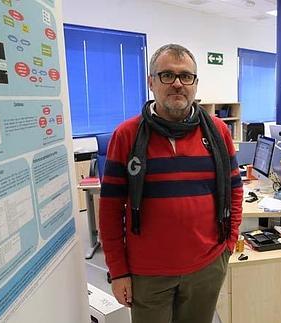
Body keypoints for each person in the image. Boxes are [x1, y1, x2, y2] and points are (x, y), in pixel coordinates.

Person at [99, 44, 243, 323]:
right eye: (167, 75)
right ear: (151, 82)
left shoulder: (218, 131)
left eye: (186, 76)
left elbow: (235, 190)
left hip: (207, 267)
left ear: (195, 84)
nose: (177, 83)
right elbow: (110, 210)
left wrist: (228, 245)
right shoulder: (126, 135)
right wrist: (118, 271)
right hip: (147, 272)